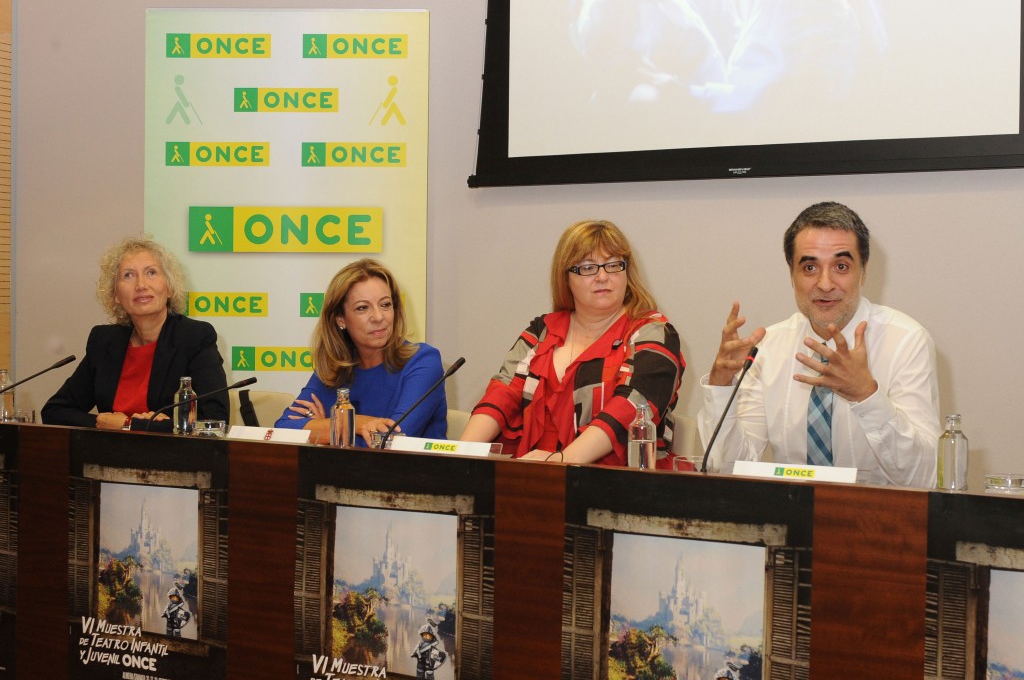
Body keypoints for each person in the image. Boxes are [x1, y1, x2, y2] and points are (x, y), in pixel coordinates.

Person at [697, 202, 939, 487]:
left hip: (877, 523)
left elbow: (923, 480)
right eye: (810, 267)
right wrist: (721, 388)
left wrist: (866, 395)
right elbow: (727, 471)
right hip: (789, 522)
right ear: (792, 275)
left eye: (841, 266)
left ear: (863, 273)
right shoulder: (767, 348)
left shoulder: (906, 342)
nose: (825, 284)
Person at [461, 219, 685, 467]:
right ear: (565, 277)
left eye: (613, 265)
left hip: (618, 485)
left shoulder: (653, 332)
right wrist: (460, 454)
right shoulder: (542, 331)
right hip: (531, 476)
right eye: (588, 268)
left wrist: (561, 461)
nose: (602, 277)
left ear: (627, 273)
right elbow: (502, 393)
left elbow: (632, 407)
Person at [41, 236, 229, 430]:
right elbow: (54, 411)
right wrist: (101, 423)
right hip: (108, 457)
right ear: (115, 294)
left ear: (170, 287)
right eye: (128, 275)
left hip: (170, 457)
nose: (141, 285)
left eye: (151, 273)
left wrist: (128, 424)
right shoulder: (104, 341)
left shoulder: (194, 337)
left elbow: (215, 421)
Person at [273, 259, 447, 446]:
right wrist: (357, 424)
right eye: (363, 308)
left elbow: (391, 442)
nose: (379, 317)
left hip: (411, 474)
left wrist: (322, 428)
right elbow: (283, 429)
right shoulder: (335, 368)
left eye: (385, 305)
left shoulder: (423, 361)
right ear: (340, 319)